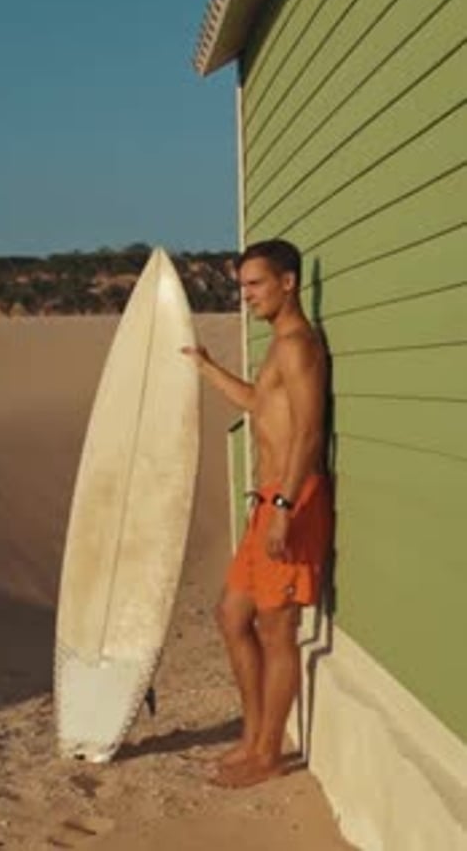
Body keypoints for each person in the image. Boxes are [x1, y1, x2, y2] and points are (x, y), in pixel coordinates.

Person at [182, 238, 332, 788]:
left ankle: (268, 755)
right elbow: (258, 404)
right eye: (242, 286)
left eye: (255, 284)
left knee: (276, 627)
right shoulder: (277, 346)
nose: (246, 295)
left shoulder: (298, 346)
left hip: (294, 498)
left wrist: (286, 507)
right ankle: (253, 739)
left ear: (287, 283)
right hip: (269, 499)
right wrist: (206, 368)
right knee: (232, 616)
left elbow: (309, 432)